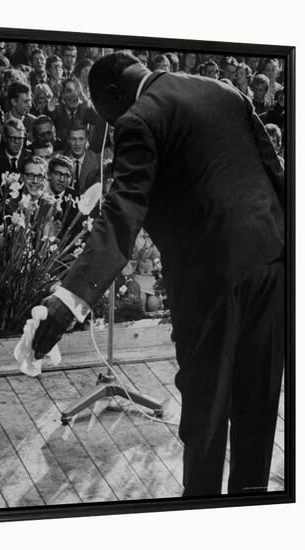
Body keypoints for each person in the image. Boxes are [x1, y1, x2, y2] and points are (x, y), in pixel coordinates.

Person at [32, 51, 285, 498]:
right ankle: (252, 504)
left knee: (206, 408)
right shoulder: (226, 91)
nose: (108, 126)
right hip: (271, 263)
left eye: (103, 114)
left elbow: (123, 209)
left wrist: (69, 298)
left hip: (209, 279)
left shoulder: (139, 118)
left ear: (113, 93)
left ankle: (201, 507)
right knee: (258, 401)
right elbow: (277, 175)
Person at [0, 119, 30, 190]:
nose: (16, 142)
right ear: (4, 138)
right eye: (13, 138)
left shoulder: (29, 157)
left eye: (20, 138)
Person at [65, 121, 100, 194]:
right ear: (68, 140)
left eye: (81, 139)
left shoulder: (97, 161)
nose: (77, 144)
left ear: (87, 139)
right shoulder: (59, 157)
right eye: (73, 139)